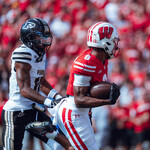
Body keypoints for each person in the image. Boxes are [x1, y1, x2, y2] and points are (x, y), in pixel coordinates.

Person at [46, 22, 120, 150]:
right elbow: (79, 100)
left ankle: (51, 135)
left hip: (82, 112)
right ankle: (49, 135)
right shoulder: (86, 62)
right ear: (105, 42)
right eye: (113, 41)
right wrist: (107, 100)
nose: (116, 44)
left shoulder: (103, 59)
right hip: (74, 112)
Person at [1, 18, 71, 150]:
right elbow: (25, 90)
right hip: (16, 112)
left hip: (33, 110)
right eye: (40, 37)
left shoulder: (40, 53)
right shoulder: (23, 54)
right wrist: (49, 102)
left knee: (59, 145)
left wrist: (56, 97)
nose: (45, 41)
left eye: (46, 37)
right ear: (29, 38)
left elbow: (40, 81)